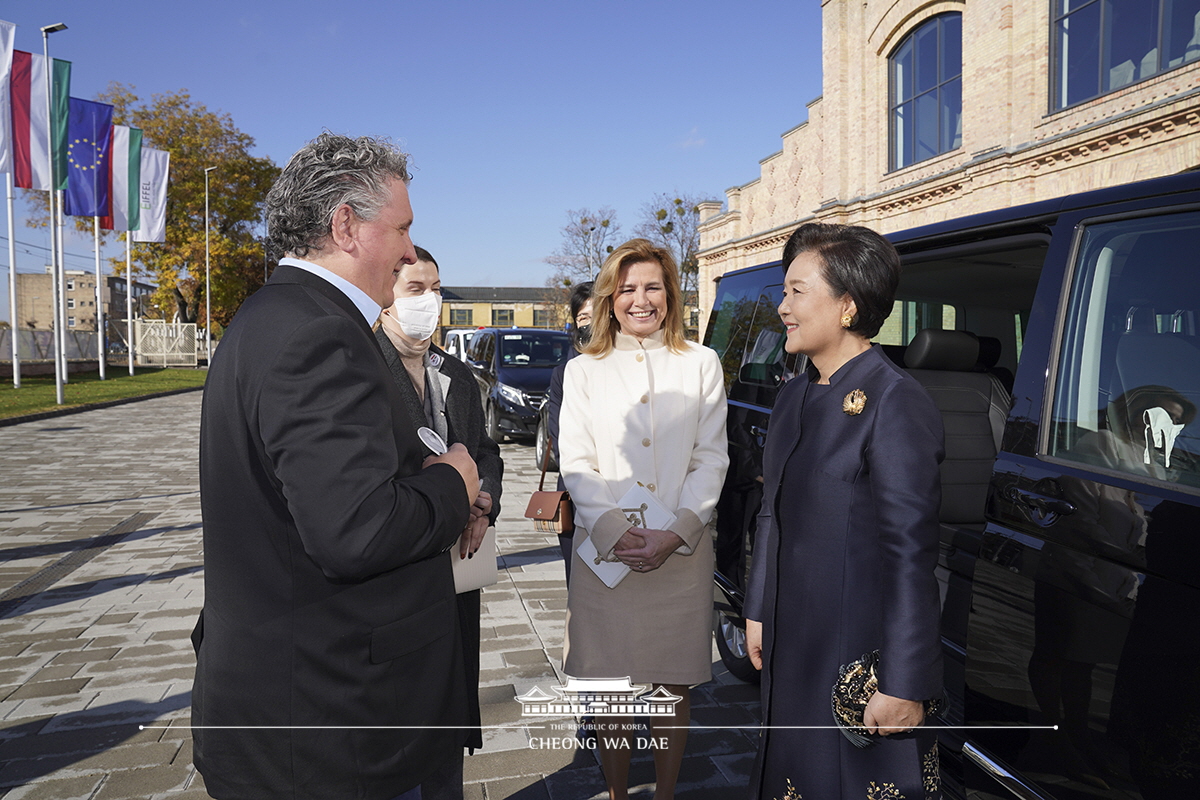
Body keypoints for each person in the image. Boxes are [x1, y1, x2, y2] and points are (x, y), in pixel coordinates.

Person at [193, 133, 479, 800]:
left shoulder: (275, 316)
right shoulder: (319, 333)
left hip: (307, 717)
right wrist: (453, 483)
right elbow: (356, 531)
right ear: (346, 225)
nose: (411, 250)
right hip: (343, 733)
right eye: (403, 229)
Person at [744, 223, 945, 800]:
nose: (782, 307)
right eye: (784, 292)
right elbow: (770, 516)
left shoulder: (895, 400)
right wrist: (758, 609)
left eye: (797, 291)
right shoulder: (794, 393)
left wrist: (906, 682)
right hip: (794, 644)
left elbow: (911, 554)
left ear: (849, 306)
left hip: (860, 656)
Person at [559, 239, 729, 800]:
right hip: (607, 554)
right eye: (628, 288)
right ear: (609, 299)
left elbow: (712, 458)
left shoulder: (701, 363)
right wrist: (612, 530)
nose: (641, 299)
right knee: (611, 686)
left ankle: (665, 793)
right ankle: (615, 793)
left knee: (671, 685)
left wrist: (677, 530)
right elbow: (576, 461)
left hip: (679, 550)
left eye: (653, 286)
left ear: (671, 294)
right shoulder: (584, 371)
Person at [374, 245, 503, 800]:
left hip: (456, 574)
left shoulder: (456, 373)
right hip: (397, 576)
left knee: (449, 708)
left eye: (437, 288)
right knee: (400, 718)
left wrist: (484, 499)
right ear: (385, 299)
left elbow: (485, 451)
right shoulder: (362, 367)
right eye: (414, 289)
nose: (430, 301)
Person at [545, 280, 593, 583]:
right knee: (578, 583)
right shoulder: (564, 373)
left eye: (597, 315)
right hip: (577, 494)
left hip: (626, 497)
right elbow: (559, 435)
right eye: (583, 318)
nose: (590, 324)